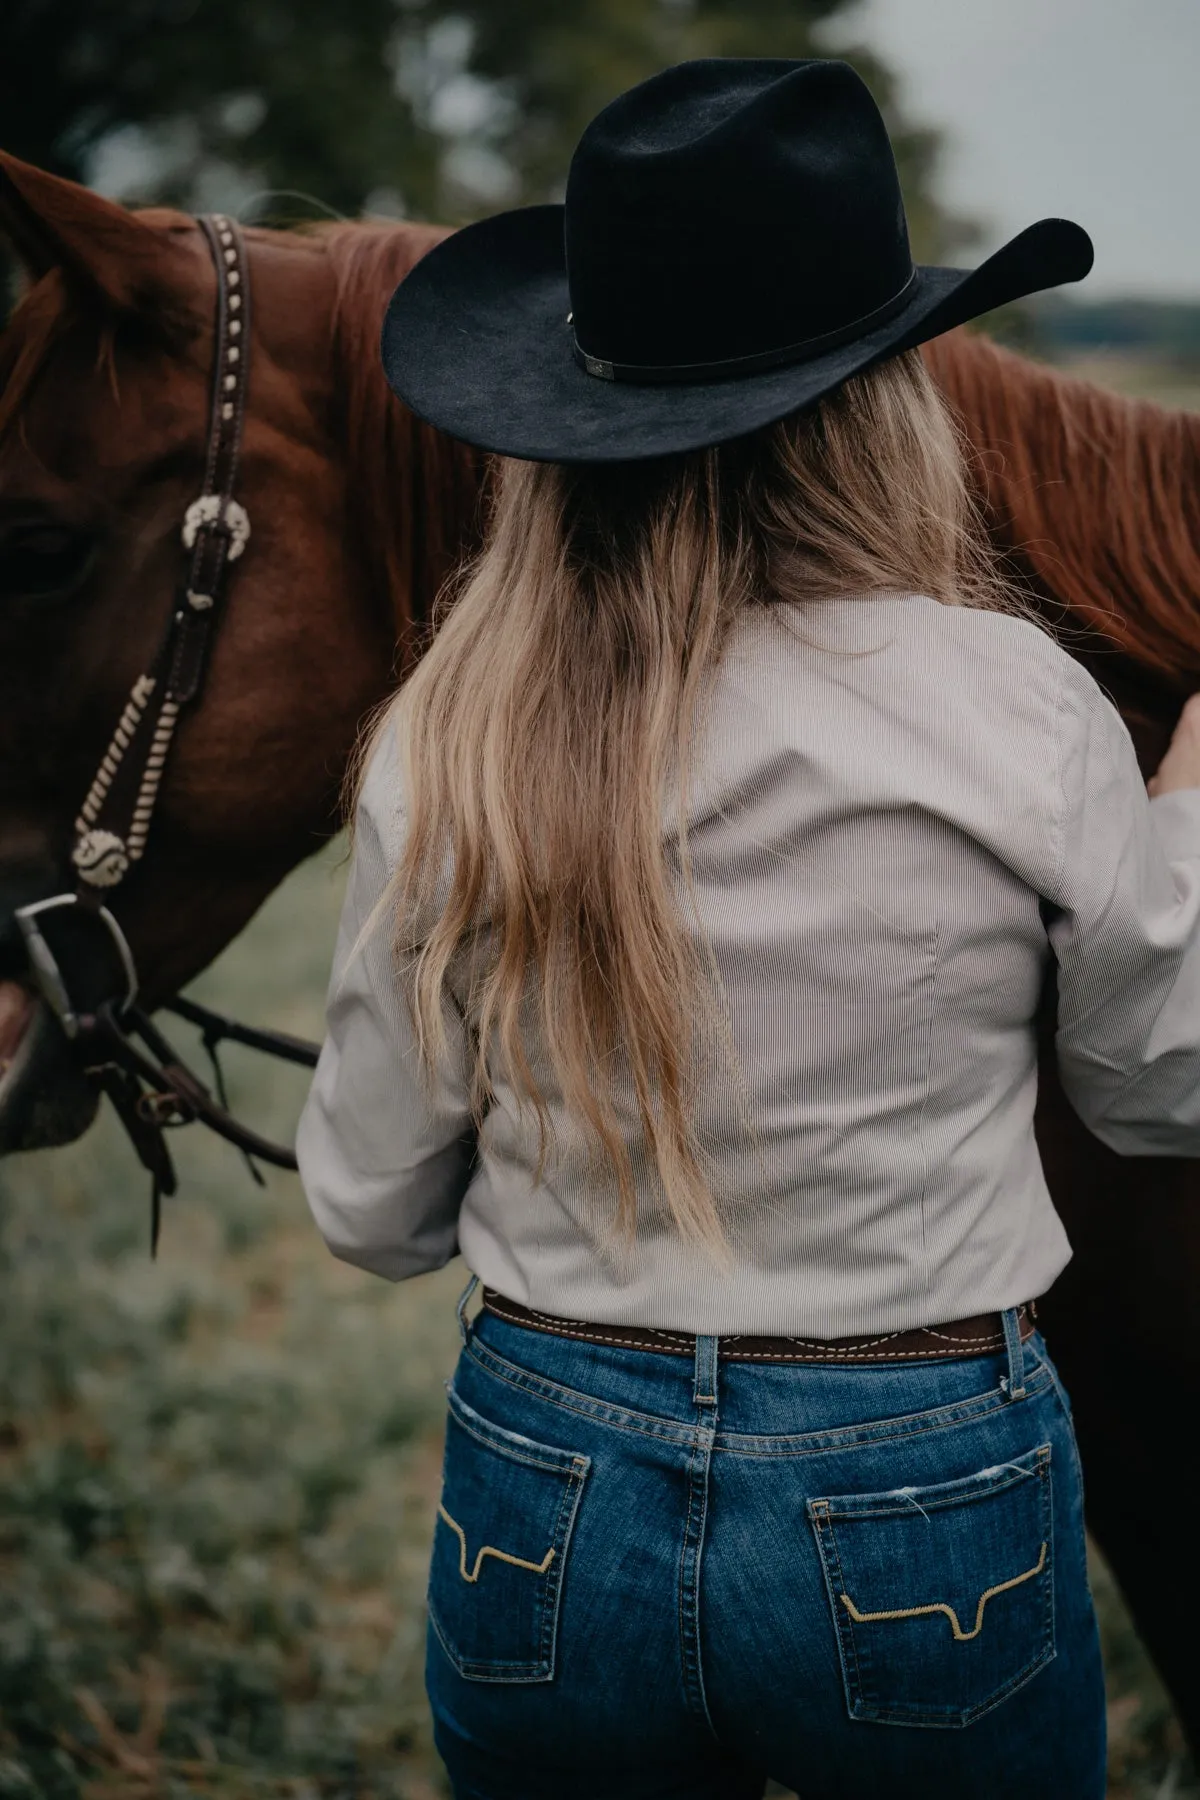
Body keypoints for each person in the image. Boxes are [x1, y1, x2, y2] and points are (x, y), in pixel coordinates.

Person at [296, 58, 1200, 1800]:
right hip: (921, 1479)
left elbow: (365, 1208)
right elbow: (1160, 1089)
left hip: (543, 1489)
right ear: (886, 399)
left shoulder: (448, 734)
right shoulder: (1013, 705)